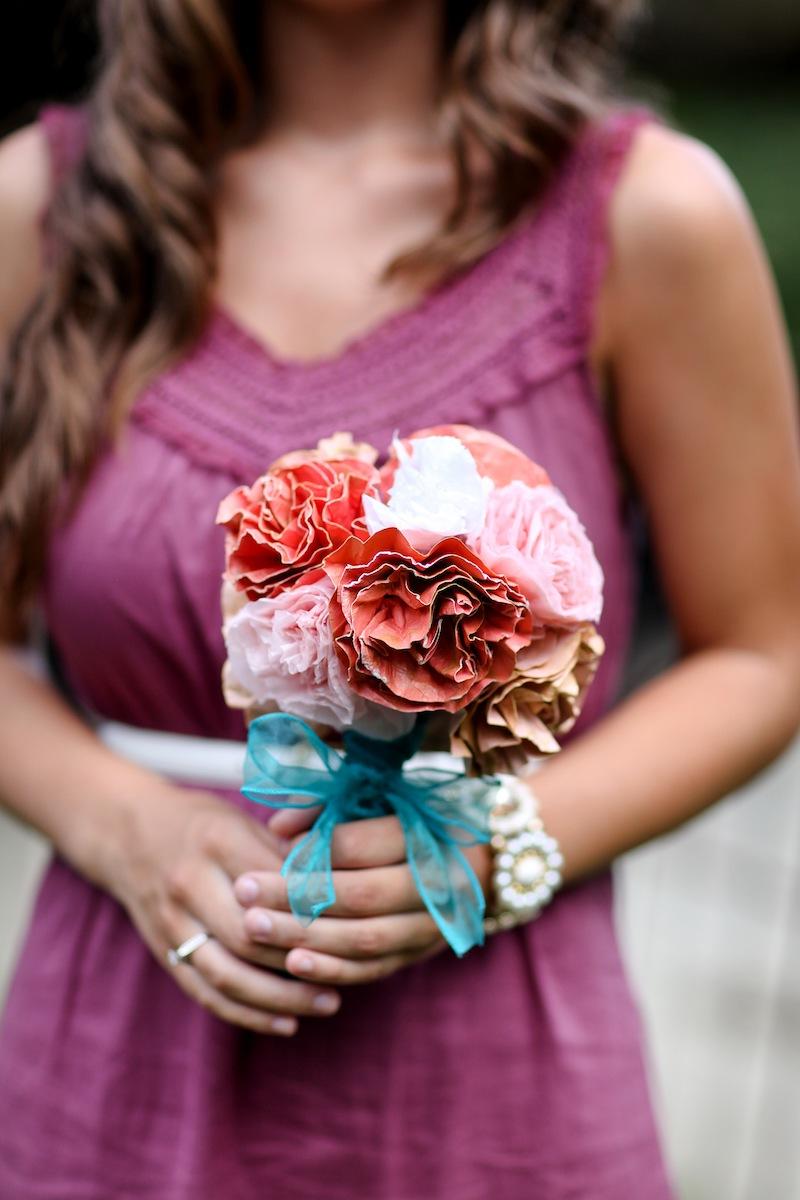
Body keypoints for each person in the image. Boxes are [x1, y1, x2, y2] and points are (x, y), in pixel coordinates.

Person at [0, 1, 798, 1197]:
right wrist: (123, 823)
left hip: (495, 1082)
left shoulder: (641, 215)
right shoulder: (37, 207)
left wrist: (503, 849)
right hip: (122, 1053)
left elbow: (762, 650)